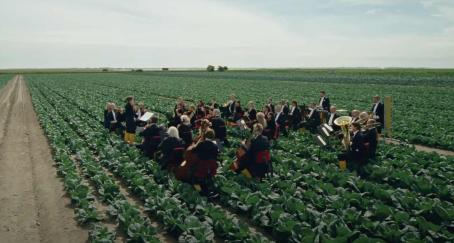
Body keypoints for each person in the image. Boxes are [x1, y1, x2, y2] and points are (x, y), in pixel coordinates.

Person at [191, 129, 219, 195]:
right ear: (213, 136)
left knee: (192, 178)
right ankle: (208, 188)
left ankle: (199, 190)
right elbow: (216, 157)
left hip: (201, 167)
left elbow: (193, 151)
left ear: (205, 136)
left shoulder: (202, 144)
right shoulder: (215, 146)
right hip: (210, 169)